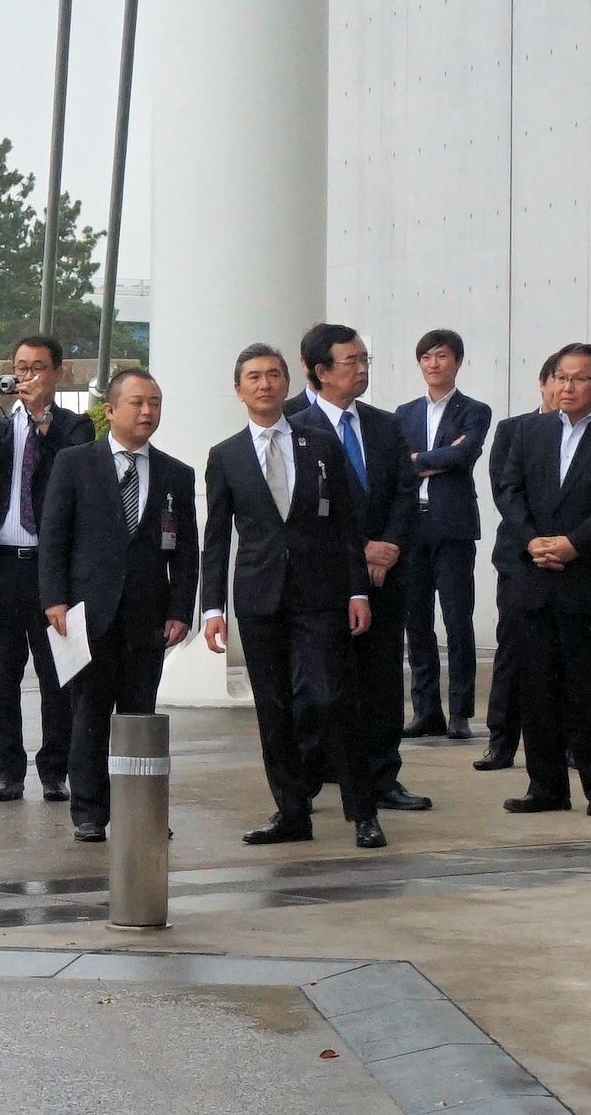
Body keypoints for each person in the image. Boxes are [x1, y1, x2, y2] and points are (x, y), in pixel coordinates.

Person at [200, 342, 382, 848]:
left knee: (332, 698)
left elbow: (347, 524)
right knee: (273, 709)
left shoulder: (319, 441)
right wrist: (211, 608)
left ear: (288, 382)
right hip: (259, 599)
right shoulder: (226, 455)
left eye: (274, 375)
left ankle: (362, 811)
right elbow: (216, 538)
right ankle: (291, 812)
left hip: (320, 594)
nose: (265, 384)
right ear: (239, 390)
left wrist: (357, 591)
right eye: (254, 377)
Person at [487, 341, 591, 816]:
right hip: (532, 576)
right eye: (560, 376)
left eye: (579, 378)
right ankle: (546, 786)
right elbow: (507, 489)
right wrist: (533, 540)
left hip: (589, 579)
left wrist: (574, 543)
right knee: (535, 684)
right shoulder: (526, 432)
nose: (567, 386)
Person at [36, 368, 198, 843]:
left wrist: (181, 611)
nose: (147, 412)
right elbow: (54, 537)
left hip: (149, 617)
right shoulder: (75, 463)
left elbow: (186, 552)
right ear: (110, 411)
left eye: (155, 403)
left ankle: (141, 808)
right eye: (137, 403)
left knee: (140, 717)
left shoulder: (175, 473)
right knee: (88, 715)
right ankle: (89, 810)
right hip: (88, 613)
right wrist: (55, 599)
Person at [290, 324, 428, 814]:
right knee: (316, 683)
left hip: (384, 576)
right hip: (325, 580)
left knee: (382, 679)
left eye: (365, 359)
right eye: (351, 361)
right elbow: (296, 507)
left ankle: (382, 777)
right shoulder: (293, 425)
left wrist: (388, 544)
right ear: (319, 370)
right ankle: (307, 777)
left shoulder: (385, 424)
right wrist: (358, 549)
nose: (363, 369)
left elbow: (406, 492)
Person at [0, 334, 93, 803]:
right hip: (1, 566)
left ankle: (55, 769)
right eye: (20, 367)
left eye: (37, 368)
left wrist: (40, 420)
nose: (27, 376)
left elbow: (70, 470)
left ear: (57, 373)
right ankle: (7, 771)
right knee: (3, 675)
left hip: (50, 569)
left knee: (57, 677)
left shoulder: (73, 428)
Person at [398, 328, 490, 740]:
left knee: (457, 620)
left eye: (442, 356)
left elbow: (463, 454)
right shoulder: (404, 414)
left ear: (458, 361)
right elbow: (400, 464)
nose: (433, 364)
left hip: (452, 527)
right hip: (411, 528)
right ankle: (426, 709)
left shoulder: (474, 410)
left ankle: (461, 712)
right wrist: (428, 461)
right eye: (426, 357)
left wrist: (422, 459)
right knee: (416, 623)